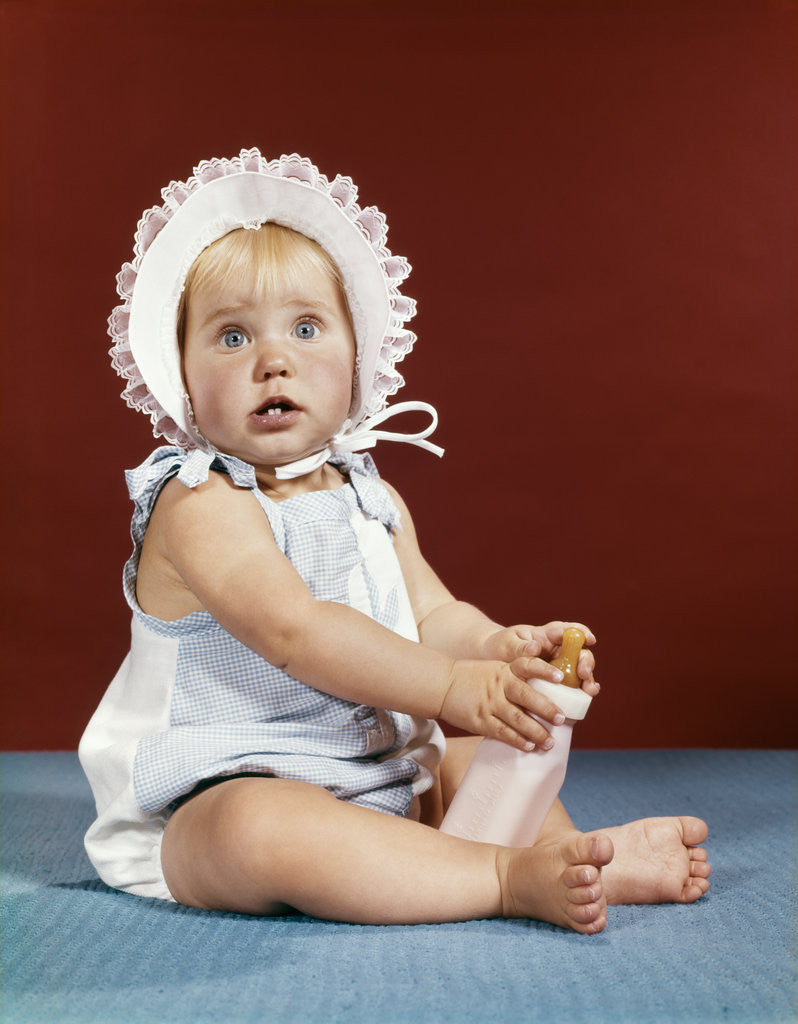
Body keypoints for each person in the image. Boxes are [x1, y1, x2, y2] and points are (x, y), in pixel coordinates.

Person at [79, 149, 710, 932]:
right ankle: (505, 878)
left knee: (480, 753)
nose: (273, 359)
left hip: (382, 778)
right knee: (260, 830)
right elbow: (294, 631)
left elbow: (431, 611)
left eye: (306, 328)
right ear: (181, 375)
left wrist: (494, 651)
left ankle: (581, 859)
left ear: (357, 357)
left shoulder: (367, 494)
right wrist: (451, 690)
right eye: (232, 338)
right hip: (218, 792)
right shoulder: (198, 499)